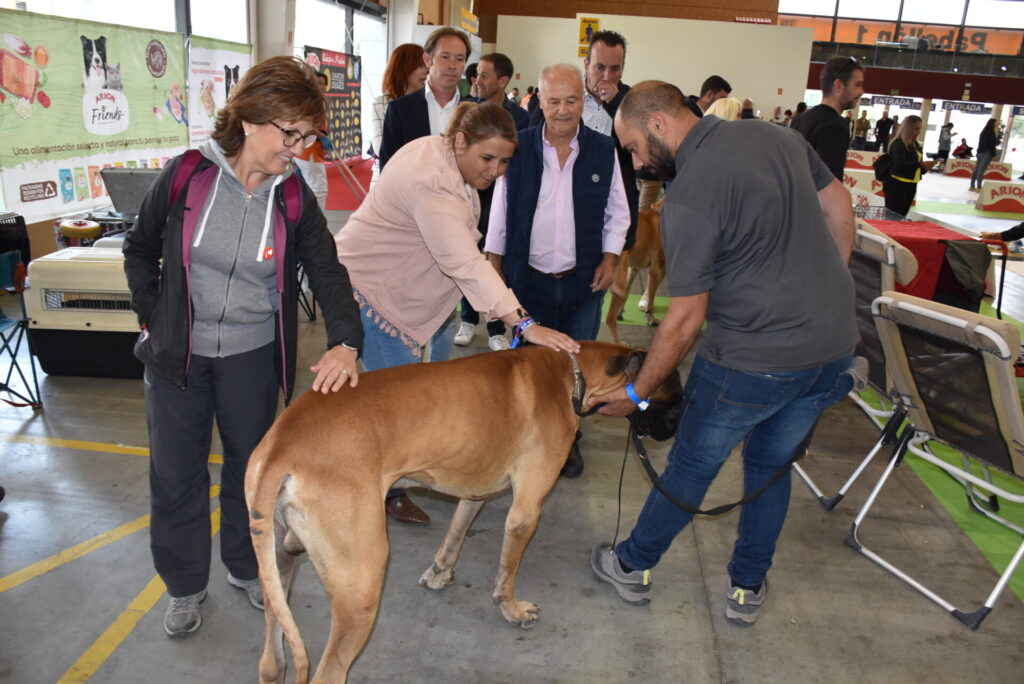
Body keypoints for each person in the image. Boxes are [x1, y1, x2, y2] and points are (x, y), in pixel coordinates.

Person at [587, 81, 858, 626]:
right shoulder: (775, 137)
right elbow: (840, 203)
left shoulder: (687, 199)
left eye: (636, 147)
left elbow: (683, 319)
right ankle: (746, 587)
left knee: (692, 464)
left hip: (750, 360)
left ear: (659, 123)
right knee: (769, 468)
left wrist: (638, 393)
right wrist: (827, 288)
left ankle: (633, 564)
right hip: (830, 351)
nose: (637, 163)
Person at [122, 56, 363, 639]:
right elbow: (138, 248)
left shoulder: (295, 196)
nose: (300, 148)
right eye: (292, 134)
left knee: (250, 473)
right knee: (176, 473)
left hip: (253, 355)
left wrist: (346, 342)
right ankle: (183, 587)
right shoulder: (186, 176)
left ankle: (244, 567)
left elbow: (328, 273)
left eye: (307, 137)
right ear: (252, 118)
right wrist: (155, 316)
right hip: (178, 355)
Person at [335, 100, 580, 475]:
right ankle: (366, 485)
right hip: (375, 297)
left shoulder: (441, 149)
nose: (496, 171)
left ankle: (388, 481)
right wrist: (525, 324)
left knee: (406, 403)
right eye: (487, 159)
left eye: (504, 162)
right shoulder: (432, 181)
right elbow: (464, 261)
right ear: (461, 141)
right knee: (402, 412)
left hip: (402, 289)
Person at [486, 64, 629, 478]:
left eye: (571, 101)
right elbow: (500, 213)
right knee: (526, 367)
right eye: (554, 101)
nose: (563, 111)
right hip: (526, 281)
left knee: (576, 367)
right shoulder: (520, 147)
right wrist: (494, 269)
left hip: (584, 281)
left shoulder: (604, 150)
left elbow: (619, 212)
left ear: (583, 101)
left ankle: (568, 442)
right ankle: (521, 440)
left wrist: (610, 257)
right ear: (539, 101)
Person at [454, 52, 530, 350]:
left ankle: (497, 325)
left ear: (503, 80)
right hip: (468, 198)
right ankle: (468, 318)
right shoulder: (467, 111)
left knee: (496, 260)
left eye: (485, 75)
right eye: (476, 75)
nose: (477, 80)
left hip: (502, 202)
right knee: (466, 256)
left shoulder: (521, 117)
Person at [378, 27, 470, 170]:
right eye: (445, 57)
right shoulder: (401, 109)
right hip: (412, 190)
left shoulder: (475, 111)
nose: (453, 65)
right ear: (428, 60)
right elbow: (389, 164)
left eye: (460, 59)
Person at [791, 56, 864, 180]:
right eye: (857, 85)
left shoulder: (799, 120)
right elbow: (829, 184)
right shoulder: (836, 126)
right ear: (839, 85)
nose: (861, 91)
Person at [370, 43, 427, 184]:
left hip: (423, 180)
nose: (426, 71)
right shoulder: (381, 103)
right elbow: (380, 147)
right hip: (387, 179)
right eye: (420, 66)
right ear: (403, 68)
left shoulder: (429, 102)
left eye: (427, 65)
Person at [293, 72, 330, 211]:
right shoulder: (309, 103)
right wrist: (322, 136)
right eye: (317, 83)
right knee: (319, 188)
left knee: (308, 188)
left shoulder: (319, 103)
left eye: (323, 83)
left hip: (312, 150)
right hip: (309, 150)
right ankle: (317, 224)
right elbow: (307, 125)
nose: (321, 87)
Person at [884, 115, 933, 216]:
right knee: (892, 216)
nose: (918, 132)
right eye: (916, 129)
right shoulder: (898, 144)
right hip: (896, 184)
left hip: (911, 184)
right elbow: (899, 164)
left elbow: (919, 168)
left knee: (902, 216)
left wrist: (925, 167)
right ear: (908, 128)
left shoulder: (917, 146)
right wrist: (920, 164)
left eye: (919, 129)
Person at [970, 118, 999, 191]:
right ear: (992, 124)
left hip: (979, 152)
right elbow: (992, 145)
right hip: (986, 153)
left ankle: (972, 186)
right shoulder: (991, 133)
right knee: (981, 170)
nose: (997, 124)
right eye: (996, 123)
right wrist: (993, 155)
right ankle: (979, 187)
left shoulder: (983, 132)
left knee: (976, 169)